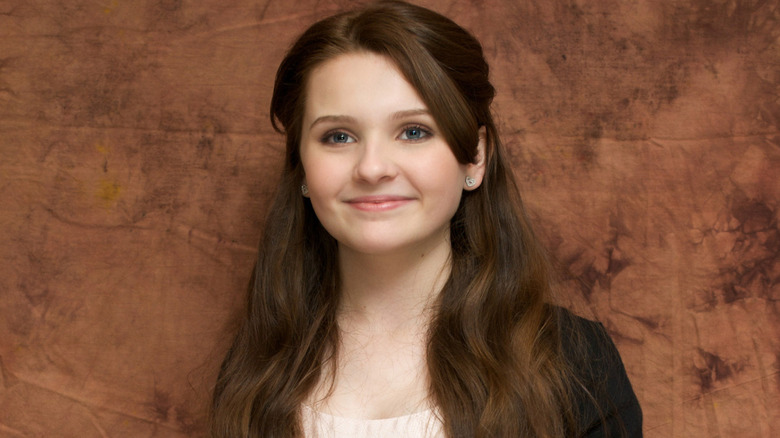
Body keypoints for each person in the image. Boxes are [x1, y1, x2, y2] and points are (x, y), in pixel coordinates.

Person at [210, 1, 642, 437]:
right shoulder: (258, 369)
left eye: (413, 131)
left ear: (474, 157)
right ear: (302, 167)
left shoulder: (575, 362)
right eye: (338, 136)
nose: (372, 168)